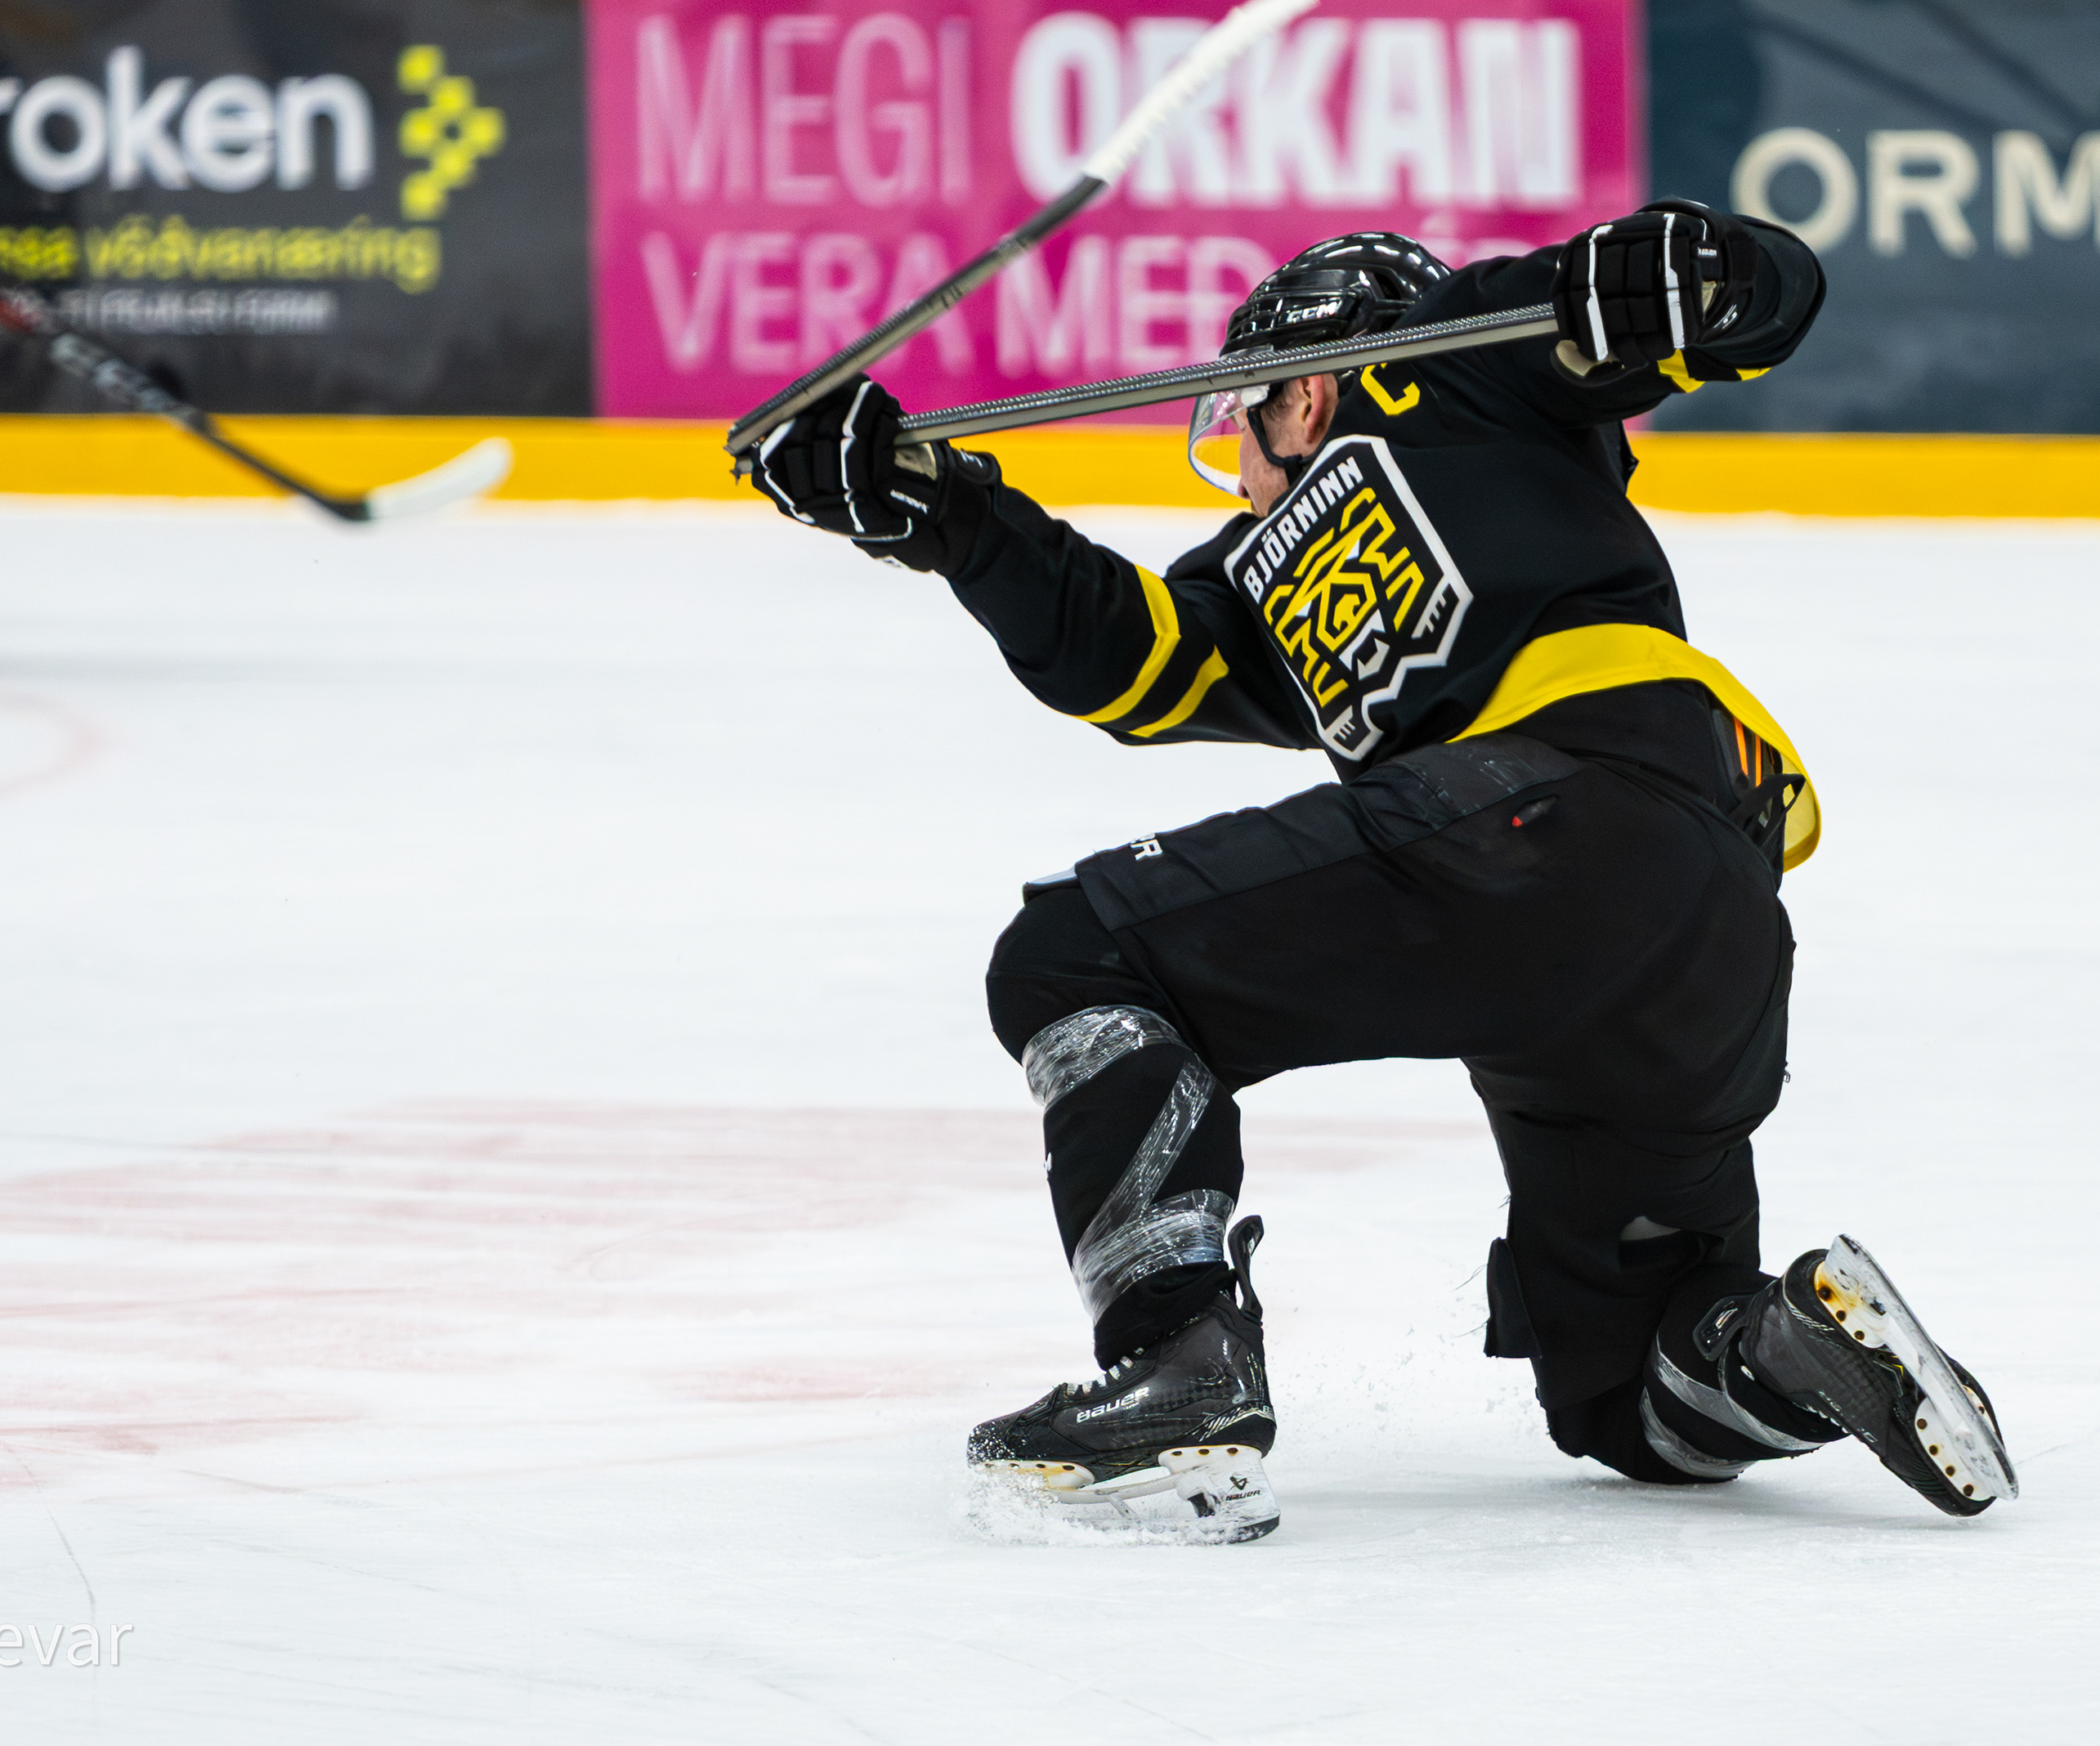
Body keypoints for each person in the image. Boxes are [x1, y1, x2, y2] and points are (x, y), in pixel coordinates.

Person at [746, 207, 2022, 1542]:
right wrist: (943, 511)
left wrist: (1698, 271)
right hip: (1698, 927)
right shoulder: (1273, 575)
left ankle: (1178, 1367)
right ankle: (1790, 1341)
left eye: (1244, 416)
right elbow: (1131, 655)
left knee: (1078, 951)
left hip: (1559, 814)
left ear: (1303, 388)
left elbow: (1747, 299)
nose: (1237, 465)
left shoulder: (1460, 363)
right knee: (1626, 1395)